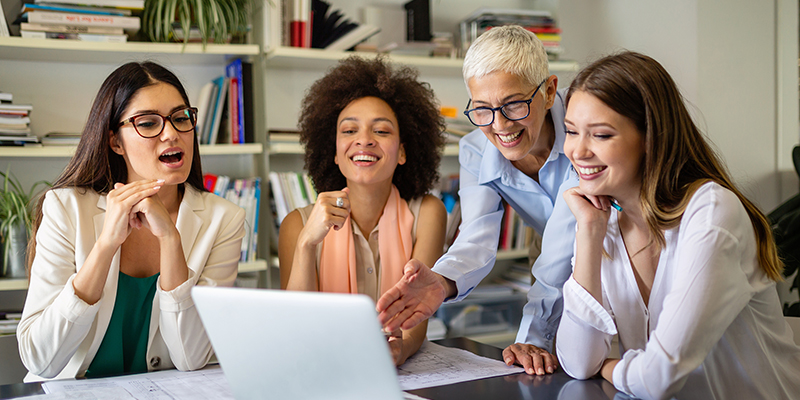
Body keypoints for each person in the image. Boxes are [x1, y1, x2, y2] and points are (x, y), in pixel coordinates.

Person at [556, 51, 800, 399]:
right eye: (570, 131)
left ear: (650, 138)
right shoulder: (602, 222)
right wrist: (589, 232)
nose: (577, 151)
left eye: (601, 135)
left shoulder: (712, 212)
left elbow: (658, 378)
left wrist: (608, 366)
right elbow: (579, 362)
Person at [17, 62, 246, 381]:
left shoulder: (225, 219)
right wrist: (106, 244)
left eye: (181, 119)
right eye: (149, 123)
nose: (171, 133)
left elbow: (190, 357)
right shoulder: (65, 208)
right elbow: (40, 359)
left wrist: (170, 239)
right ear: (115, 142)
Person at [376, 25, 577, 375]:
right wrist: (440, 282)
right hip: (546, 250)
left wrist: (533, 336)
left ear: (549, 90)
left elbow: (565, 240)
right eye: (482, 108)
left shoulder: (581, 128)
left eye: (513, 104)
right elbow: (476, 237)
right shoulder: (475, 148)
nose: (499, 125)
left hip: (614, 243)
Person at [278, 56, 447, 366]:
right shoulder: (296, 224)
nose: (364, 140)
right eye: (349, 131)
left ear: (403, 152)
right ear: (335, 153)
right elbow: (293, 330)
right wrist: (306, 244)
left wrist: (397, 353)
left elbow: (414, 326)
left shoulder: (428, 213)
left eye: (381, 132)